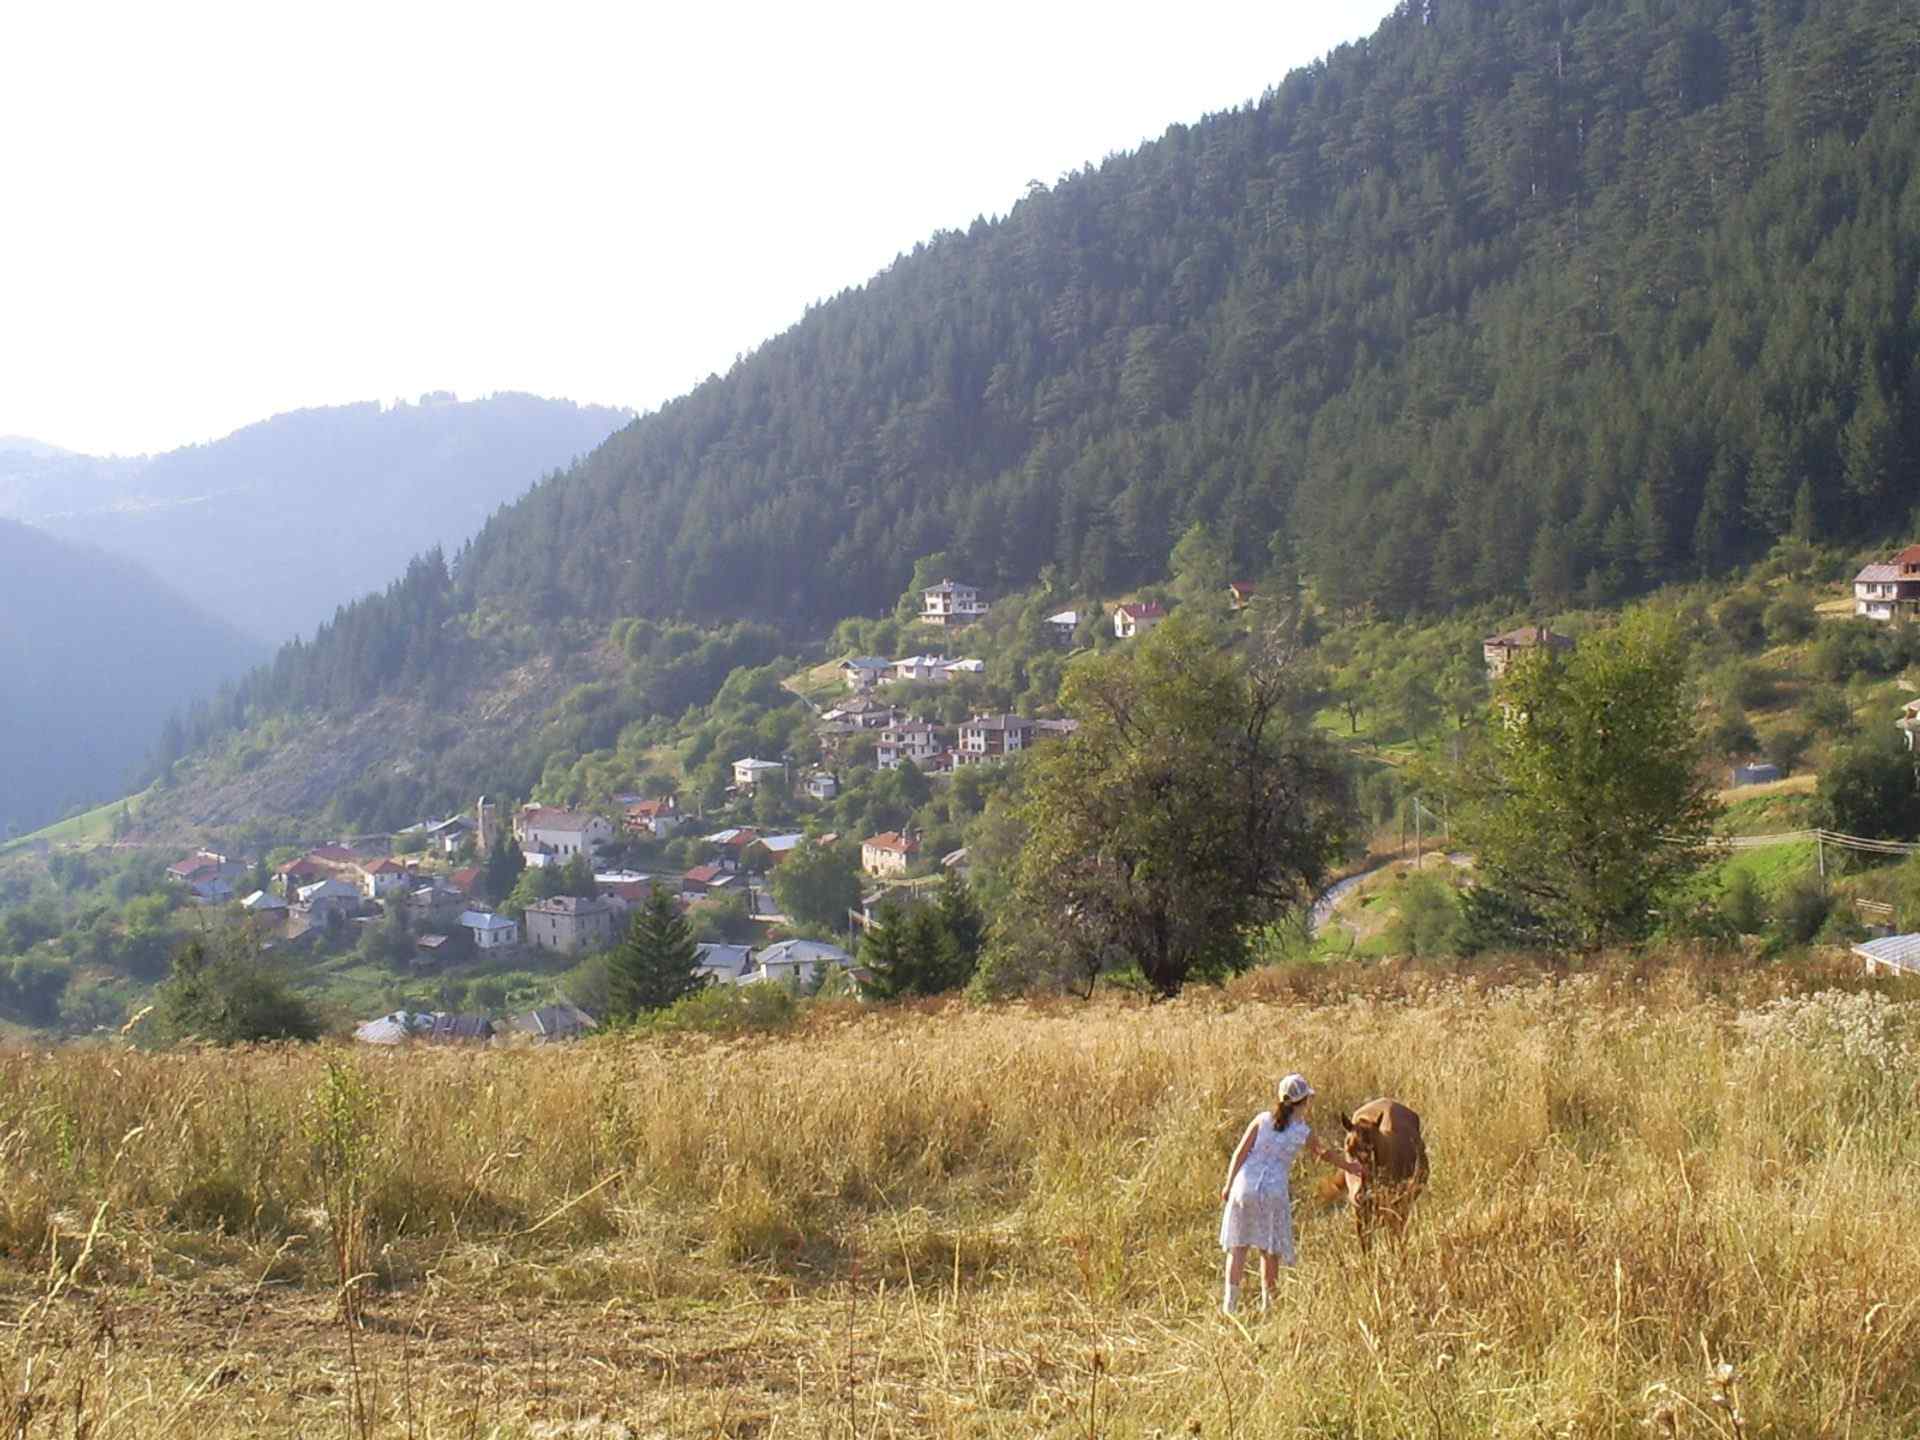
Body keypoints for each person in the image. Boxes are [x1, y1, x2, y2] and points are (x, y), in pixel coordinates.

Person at [1217, 1072, 1366, 1315]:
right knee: (1270, 1250)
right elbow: (1324, 1153)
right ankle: (1268, 1306)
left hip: (1244, 1186)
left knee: (1239, 1247)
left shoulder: (1262, 1120)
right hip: (1273, 1191)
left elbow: (1240, 1153)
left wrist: (1228, 1184)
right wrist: (1349, 1167)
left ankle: (1230, 1307)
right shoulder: (1302, 1131)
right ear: (1305, 1102)